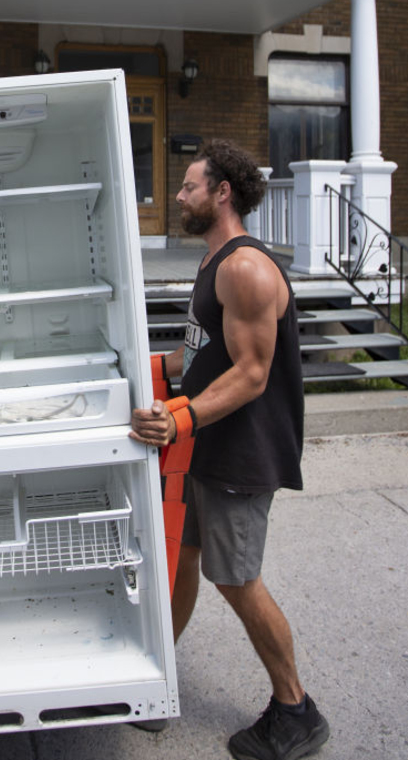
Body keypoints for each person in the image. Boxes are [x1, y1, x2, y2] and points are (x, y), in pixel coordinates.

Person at [130, 140, 329, 760]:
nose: (180, 196)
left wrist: (179, 418)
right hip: (206, 444)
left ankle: (296, 708)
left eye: (190, 187)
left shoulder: (245, 268)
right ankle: (157, 681)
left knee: (236, 578)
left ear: (222, 193)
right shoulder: (214, 262)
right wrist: (144, 370)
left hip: (241, 453)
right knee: (183, 556)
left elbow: (250, 374)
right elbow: (201, 354)